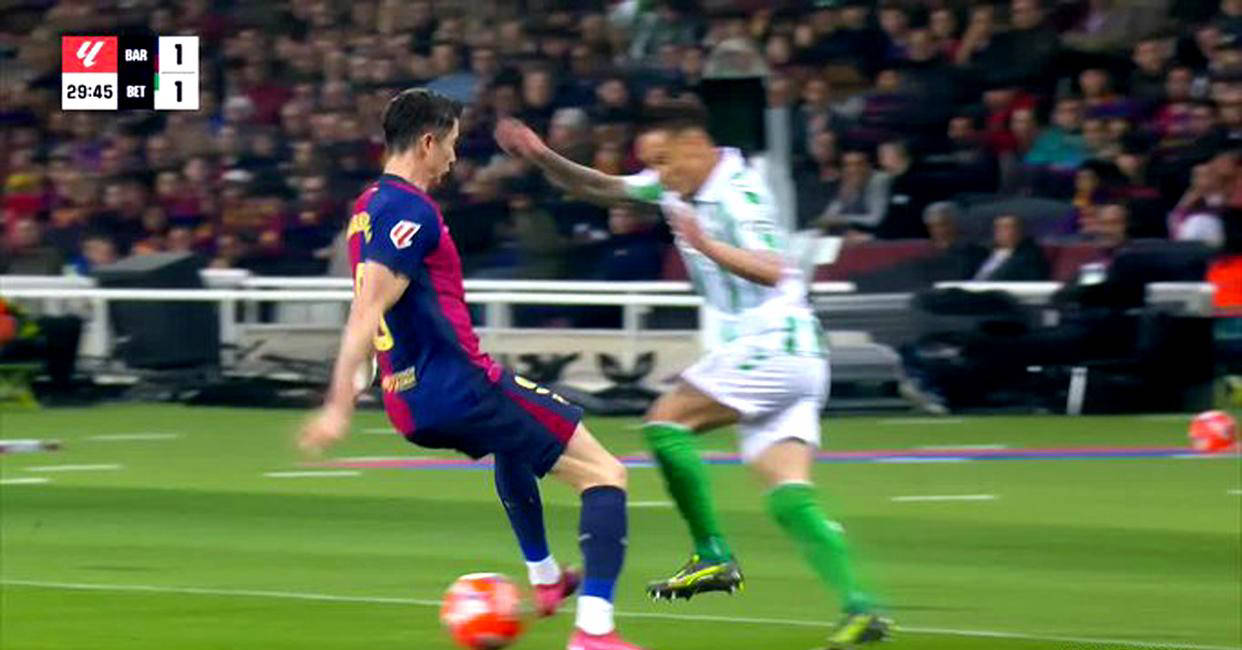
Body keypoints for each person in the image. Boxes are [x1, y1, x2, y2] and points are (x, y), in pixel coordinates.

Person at [497, 101, 891, 649]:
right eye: (651, 164)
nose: (658, 174)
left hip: (771, 344)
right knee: (788, 496)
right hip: (796, 357)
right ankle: (861, 607)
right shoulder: (676, 187)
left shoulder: (738, 192)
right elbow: (604, 188)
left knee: (665, 424)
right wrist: (542, 156)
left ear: (695, 146)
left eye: (663, 160)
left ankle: (711, 554)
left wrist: (706, 245)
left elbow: (775, 268)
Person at [299, 89, 644, 650]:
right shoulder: (409, 210)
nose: (454, 158)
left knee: (514, 443)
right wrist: (338, 404)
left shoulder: (367, 207)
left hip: (409, 399)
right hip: (459, 385)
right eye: (452, 144)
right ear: (427, 142)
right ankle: (594, 632)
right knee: (606, 475)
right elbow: (367, 310)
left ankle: (546, 578)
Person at [972, 214, 1051, 280]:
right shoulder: (980, 254)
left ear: (1019, 231)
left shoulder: (1029, 258)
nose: (999, 231)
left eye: (1006, 227)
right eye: (997, 227)